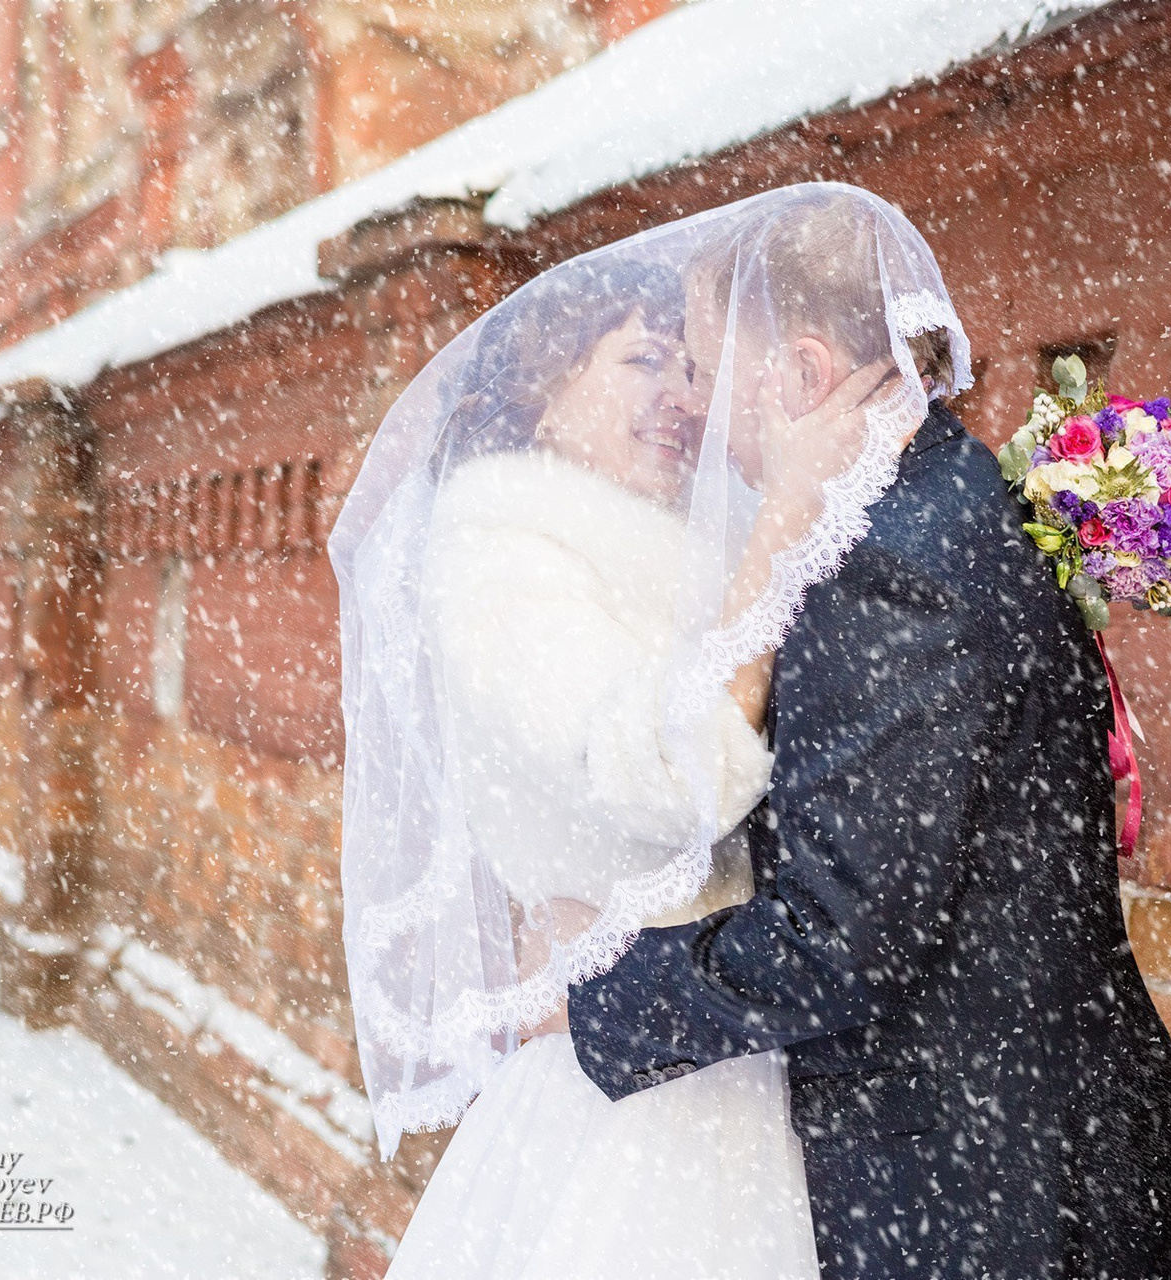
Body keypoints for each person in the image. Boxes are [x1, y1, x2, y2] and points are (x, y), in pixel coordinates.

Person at [566, 186, 1171, 1279]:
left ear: (804, 374)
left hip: (985, 1197)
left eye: (713, 372)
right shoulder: (952, 497)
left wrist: (594, 993)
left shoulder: (883, 566)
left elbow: (840, 940)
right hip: (1042, 1142)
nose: (700, 410)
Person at [329, 183, 954, 1276]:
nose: (681, 395)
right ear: (542, 393)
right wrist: (785, 523)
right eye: (640, 360)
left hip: (734, 1032)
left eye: (689, 365)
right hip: (646, 1085)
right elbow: (666, 775)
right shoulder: (499, 553)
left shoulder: (686, 550)